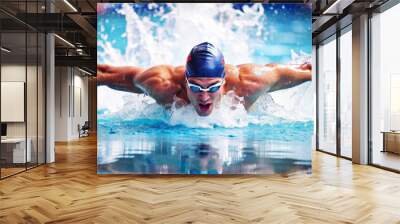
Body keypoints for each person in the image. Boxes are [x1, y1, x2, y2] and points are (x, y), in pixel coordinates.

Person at [97, 42, 311, 117]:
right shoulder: (164, 85)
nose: (204, 96)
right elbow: (119, 76)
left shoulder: (249, 84)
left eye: (213, 87)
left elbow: (305, 71)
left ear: (224, 81)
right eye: (196, 87)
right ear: (185, 81)